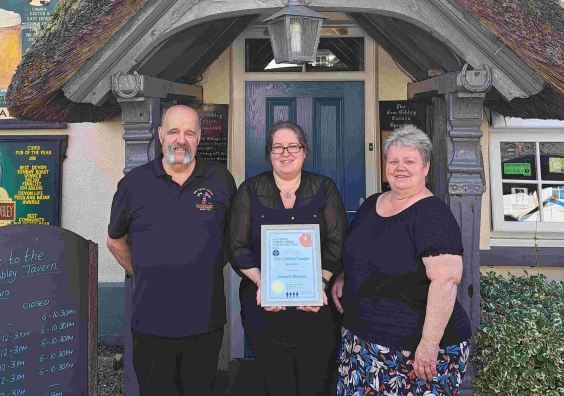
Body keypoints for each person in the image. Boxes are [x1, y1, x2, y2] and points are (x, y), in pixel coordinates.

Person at [332, 124, 471, 395]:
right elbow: (361, 252)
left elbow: (446, 282)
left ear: (425, 167)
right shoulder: (371, 204)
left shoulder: (432, 215)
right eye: (393, 161)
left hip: (412, 352)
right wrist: (345, 276)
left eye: (409, 161)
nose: (400, 168)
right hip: (362, 343)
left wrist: (429, 344)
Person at [107, 105, 236, 396]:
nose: (181, 139)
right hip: (151, 322)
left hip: (204, 320)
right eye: (174, 131)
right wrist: (145, 271)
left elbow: (233, 239)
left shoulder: (220, 180)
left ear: (199, 137)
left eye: (189, 132)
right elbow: (115, 240)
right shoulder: (134, 184)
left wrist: (203, 266)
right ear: (161, 135)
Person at [230, 121, 348, 396]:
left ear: (304, 151)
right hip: (265, 307)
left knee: (316, 383)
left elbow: (338, 242)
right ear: (269, 153)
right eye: (278, 147)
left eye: (293, 146)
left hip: (316, 306)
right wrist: (264, 284)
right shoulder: (249, 190)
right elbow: (236, 247)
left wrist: (319, 282)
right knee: (275, 383)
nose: (286, 153)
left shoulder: (324, 188)